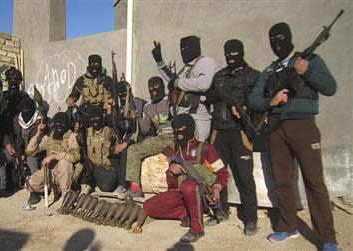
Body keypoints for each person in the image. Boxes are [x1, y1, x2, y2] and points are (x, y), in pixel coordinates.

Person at [248, 22, 338, 251]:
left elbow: (330, 87)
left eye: (281, 38)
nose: (277, 43)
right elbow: (253, 100)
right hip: (276, 129)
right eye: (272, 39)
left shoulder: (310, 60)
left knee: (314, 182)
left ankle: (327, 238)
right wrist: (272, 101)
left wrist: (307, 71)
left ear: (289, 37)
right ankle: (288, 226)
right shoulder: (269, 71)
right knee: (282, 181)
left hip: (304, 126)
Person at [143, 114, 228, 244]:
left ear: (190, 128)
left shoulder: (205, 148)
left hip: (202, 196)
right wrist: (171, 168)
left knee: (188, 186)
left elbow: (223, 174)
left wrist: (217, 188)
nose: (178, 133)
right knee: (149, 207)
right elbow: (172, 185)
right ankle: (186, 214)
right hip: (180, 194)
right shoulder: (175, 149)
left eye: (182, 129)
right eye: (175, 130)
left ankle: (197, 229)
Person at [204, 39, 260, 235]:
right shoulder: (219, 77)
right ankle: (221, 211)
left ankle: (251, 218)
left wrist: (245, 107)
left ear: (241, 52)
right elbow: (208, 97)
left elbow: (259, 102)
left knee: (244, 176)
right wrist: (216, 96)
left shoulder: (253, 76)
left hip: (240, 132)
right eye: (227, 53)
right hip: (219, 131)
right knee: (217, 173)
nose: (230, 56)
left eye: (234, 52)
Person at [114, 76, 174, 198]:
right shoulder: (148, 107)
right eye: (150, 87)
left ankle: (174, 190)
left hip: (174, 136)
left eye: (156, 86)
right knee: (133, 150)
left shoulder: (170, 101)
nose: (153, 89)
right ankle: (135, 188)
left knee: (173, 157)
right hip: (160, 139)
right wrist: (136, 118)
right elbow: (145, 129)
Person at [152, 35, 216, 142]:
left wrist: (177, 83)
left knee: (197, 153)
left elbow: (203, 84)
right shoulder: (187, 67)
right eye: (181, 49)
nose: (183, 52)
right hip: (181, 119)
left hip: (198, 118)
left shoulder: (206, 62)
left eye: (186, 48)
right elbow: (172, 79)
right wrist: (159, 61)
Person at [0, 96, 45, 199]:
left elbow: (43, 142)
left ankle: (35, 192)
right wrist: (8, 144)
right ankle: (2, 188)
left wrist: (40, 132)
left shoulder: (40, 121)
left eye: (28, 110)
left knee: (32, 167)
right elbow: (8, 133)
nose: (25, 113)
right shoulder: (16, 119)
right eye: (23, 110)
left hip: (33, 152)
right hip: (18, 150)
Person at [24, 112, 81, 209]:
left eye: (62, 125)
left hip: (66, 174)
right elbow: (29, 151)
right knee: (30, 183)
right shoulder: (49, 136)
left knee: (64, 163)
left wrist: (55, 156)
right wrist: (39, 133)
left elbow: (75, 156)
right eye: (57, 124)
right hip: (50, 173)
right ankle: (53, 189)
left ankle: (66, 195)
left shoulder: (72, 136)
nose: (59, 127)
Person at [0, 66, 28, 194]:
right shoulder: (2, 96)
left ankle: (12, 183)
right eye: (10, 79)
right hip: (1, 130)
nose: (12, 82)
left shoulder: (23, 96)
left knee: (12, 159)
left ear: (19, 81)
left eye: (15, 79)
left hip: (15, 132)